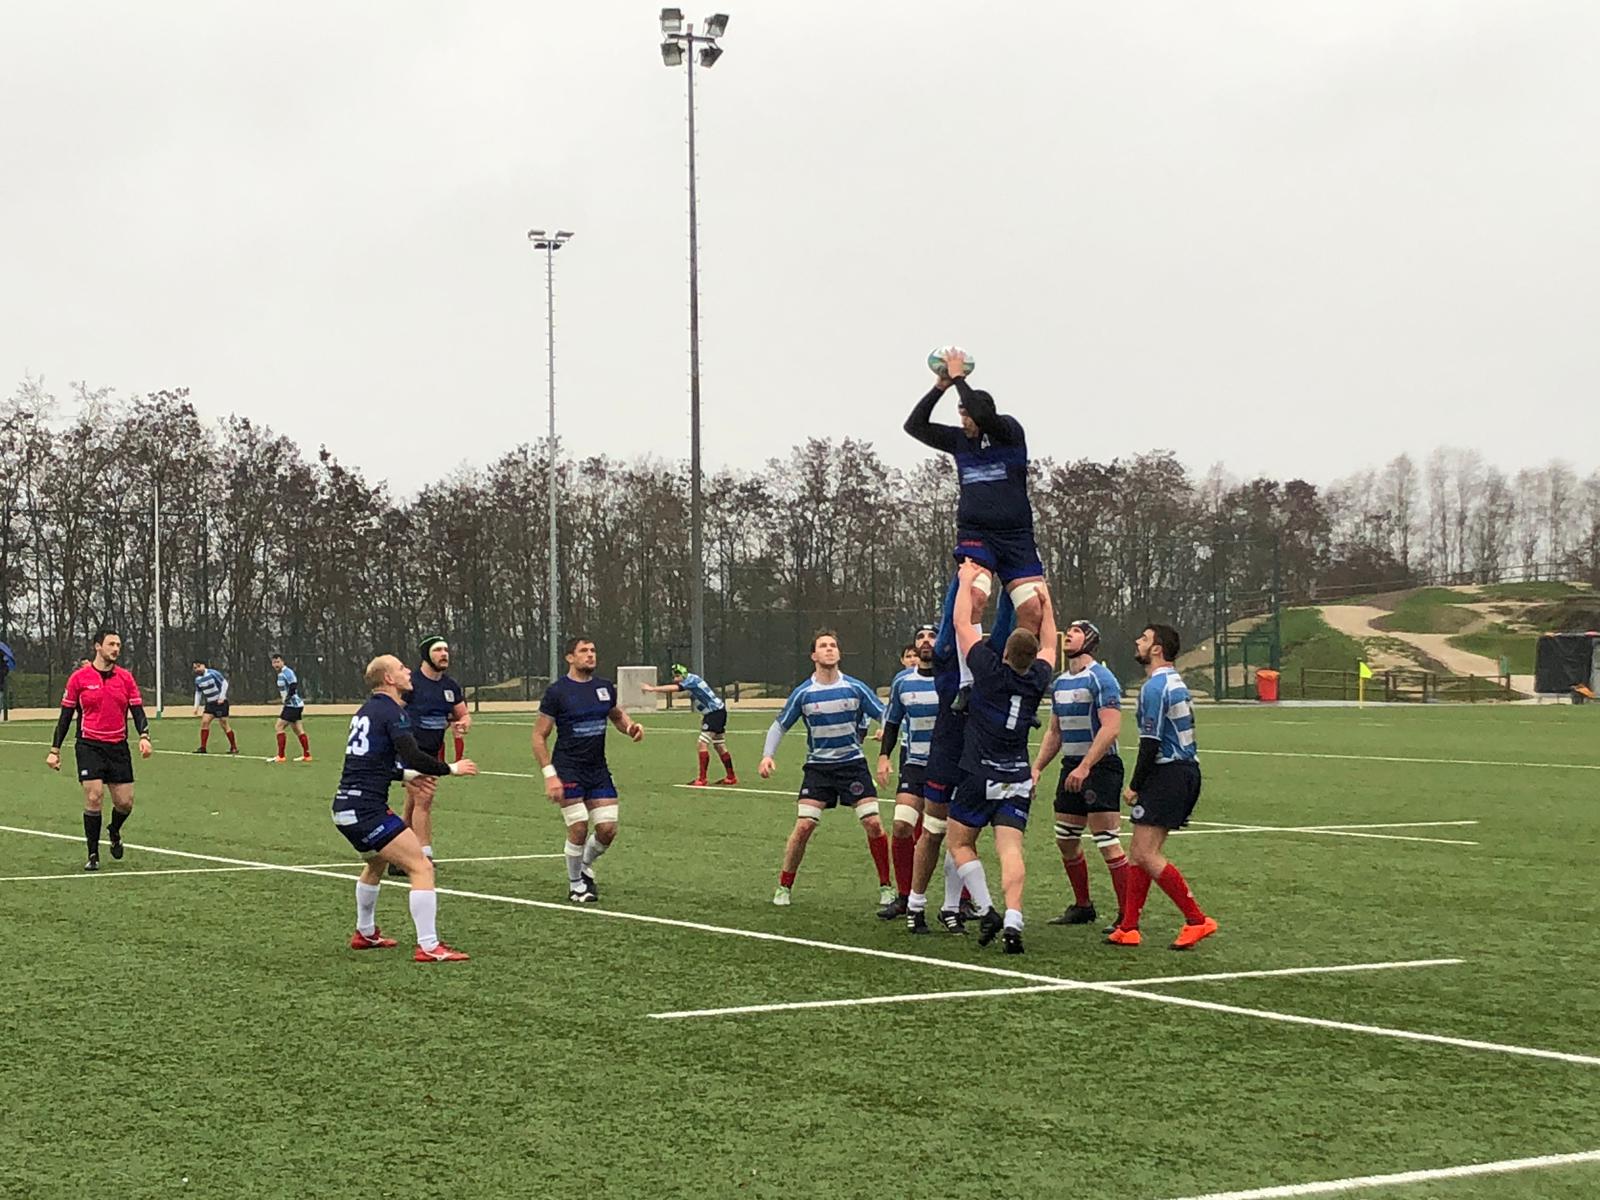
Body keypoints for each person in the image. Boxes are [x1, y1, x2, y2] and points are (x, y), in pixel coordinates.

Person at [333, 654, 477, 961]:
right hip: (367, 809)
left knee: (375, 863)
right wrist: (450, 768)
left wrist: (407, 775)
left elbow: (373, 762)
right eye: (400, 668)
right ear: (388, 679)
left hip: (345, 807)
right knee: (421, 867)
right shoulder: (392, 711)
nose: (407, 671)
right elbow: (412, 754)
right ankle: (429, 947)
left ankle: (365, 932)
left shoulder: (367, 711)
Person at [944, 560, 1056, 954]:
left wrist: (963, 582)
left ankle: (988, 907)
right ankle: (1013, 917)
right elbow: (1050, 644)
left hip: (979, 772)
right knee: (1010, 849)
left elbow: (961, 624)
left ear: (1005, 649)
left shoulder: (988, 672)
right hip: (1017, 776)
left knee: (959, 843)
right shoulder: (1038, 679)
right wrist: (1045, 602)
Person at [904, 349, 1046, 647]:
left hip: (1016, 536)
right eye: (961, 415)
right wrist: (941, 386)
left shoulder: (1009, 431)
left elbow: (982, 415)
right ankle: (971, 680)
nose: (965, 420)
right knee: (974, 599)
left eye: (967, 414)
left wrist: (958, 378)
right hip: (977, 535)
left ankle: (1014, 673)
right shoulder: (960, 441)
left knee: (1033, 609)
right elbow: (914, 426)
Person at [1107, 624, 1218, 951]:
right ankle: (1128, 927)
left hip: (1169, 773)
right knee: (1139, 853)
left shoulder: (1156, 687)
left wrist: (1134, 785)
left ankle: (1197, 920)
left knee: (1144, 853)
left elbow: (1151, 742)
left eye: (1143, 638)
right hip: (1181, 772)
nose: (1137, 642)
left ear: (1156, 649)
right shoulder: (1172, 681)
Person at [761, 631, 889, 909]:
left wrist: (885, 730)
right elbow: (779, 725)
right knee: (804, 826)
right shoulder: (804, 693)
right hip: (819, 769)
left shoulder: (855, 688)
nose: (829, 649)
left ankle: (886, 887)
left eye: (833, 645)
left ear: (839, 654)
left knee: (873, 823)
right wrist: (767, 756)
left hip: (853, 766)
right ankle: (784, 885)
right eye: (823, 646)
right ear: (814, 656)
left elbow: (886, 714)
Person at [1032, 620, 1132, 929]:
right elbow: (1054, 732)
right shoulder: (1060, 682)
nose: (1069, 634)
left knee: (1106, 841)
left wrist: (1086, 765)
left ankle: (1129, 915)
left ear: (1090, 639)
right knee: (1066, 839)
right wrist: (1036, 768)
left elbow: (1112, 727)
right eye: (1069, 630)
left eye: (1076, 630)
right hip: (1071, 766)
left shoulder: (1101, 679)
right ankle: (1083, 905)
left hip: (1100, 769)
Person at [534, 636, 645, 903]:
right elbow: (539, 736)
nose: (590, 655)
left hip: (598, 770)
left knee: (607, 829)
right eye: (583, 651)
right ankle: (575, 886)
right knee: (579, 827)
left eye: (593, 650)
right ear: (570, 658)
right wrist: (550, 775)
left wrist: (631, 728)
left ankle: (583, 864)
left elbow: (617, 716)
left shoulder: (605, 688)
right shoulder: (557, 692)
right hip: (568, 769)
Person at [44, 629, 152, 871]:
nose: (116, 649)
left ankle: (114, 830)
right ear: (97, 647)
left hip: (118, 747)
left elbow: (137, 711)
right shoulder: (79, 679)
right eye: (111, 644)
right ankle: (92, 854)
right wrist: (55, 749)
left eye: (119, 645)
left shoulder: (125, 678)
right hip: (89, 745)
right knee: (94, 797)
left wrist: (144, 736)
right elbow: (65, 716)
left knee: (125, 803)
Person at [391, 635, 471, 875]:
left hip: (431, 753)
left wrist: (463, 723)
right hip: (410, 752)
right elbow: (392, 710)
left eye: (446, 650)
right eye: (438, 650)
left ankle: (396, 856)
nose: (444, 654)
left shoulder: (450, 686)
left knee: (413, 804)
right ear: (426, 654)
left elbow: (463, 714)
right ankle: (423, 855)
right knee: (424, 799)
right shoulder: (411, 683)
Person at [874, 624, 938, 918]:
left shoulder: (953, 678)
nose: (925, 642)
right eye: (920, 638)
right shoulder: (903, 683)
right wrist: (884, 756)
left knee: (954, 834)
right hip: (914, 766)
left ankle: (964, 900)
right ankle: (904, 896)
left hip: (947, 767)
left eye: (932, 636)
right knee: (902, 825)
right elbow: (892, 723)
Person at [640, 663, 737, 786]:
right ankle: (731, 777)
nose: (675, 680)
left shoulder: (690, 680)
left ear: (682, 674)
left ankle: (702, 779)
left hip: (714, 713)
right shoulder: (693, 679)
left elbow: (674, 689)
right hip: (717, 711)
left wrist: (652, 689)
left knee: (702, 743)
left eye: (676, 676)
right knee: (719, 745)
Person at [269, 652, 312, 763]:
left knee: (279, 726)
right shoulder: (281, 674)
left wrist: (288, 698)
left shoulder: (287, 672)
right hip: (295, 705)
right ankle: (307, 755)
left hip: (292, 705)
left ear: (283, 662)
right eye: (274, 662)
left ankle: (281, 756)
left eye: (278, 662)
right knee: (298, 729)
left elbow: (293, 685)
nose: (276, 664)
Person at [191, 659, 238, 755]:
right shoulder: (198, 680)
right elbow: (198, 693)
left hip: (220, 703)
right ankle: (203, 747)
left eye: (198, 666)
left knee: (224, 724)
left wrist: (221, 697)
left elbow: (224, 683)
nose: (197, 669)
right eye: (195, 668)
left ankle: (234, 747)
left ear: (204, 665)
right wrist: (196, 707)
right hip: (210, 704)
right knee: (204, 722)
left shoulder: (213, 674)